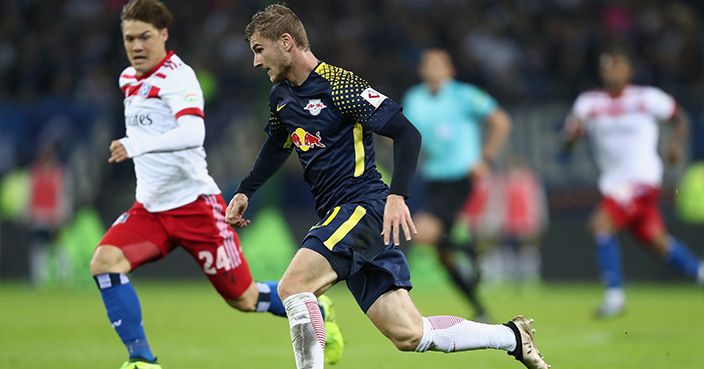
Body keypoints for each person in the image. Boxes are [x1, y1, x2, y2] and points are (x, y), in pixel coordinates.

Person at [226, 4, 549, 369]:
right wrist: (245, 190)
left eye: (258, 50)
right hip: (348, 217)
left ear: (286, 42)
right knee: (410, 334)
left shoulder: (341, 85)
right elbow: (276, 144)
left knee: (293, 288)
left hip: (362, 207)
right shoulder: (280, 97)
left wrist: (397, 195)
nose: (255, 62)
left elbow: (406, 133)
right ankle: (511, 337)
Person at [88, 1, 342, 368]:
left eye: (145, 37)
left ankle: (313, 307)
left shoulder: (179, 77)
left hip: (196, 207)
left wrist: (136, 145)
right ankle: (141, 359)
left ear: (163, 35)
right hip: (150, 208)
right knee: (105, 262)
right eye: (129, 38)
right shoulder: (128, 79)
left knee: (244, 298)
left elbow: (193, 131)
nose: (137, 46)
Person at [563, 47, 704, 318]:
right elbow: (568, 141)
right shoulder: (588, 102)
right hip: (613, 183)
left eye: (618, 67)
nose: (612, 72)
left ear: (629, 71)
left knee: (600, 226)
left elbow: (680, 118)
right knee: (658, 245)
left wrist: (675, 145)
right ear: (601, 72)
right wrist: (572, 135)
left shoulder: (647, 97)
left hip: (641, 180)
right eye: (607, 67)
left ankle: (614, 295)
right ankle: (699, 272)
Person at [402, 48, 512, 322]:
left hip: (461, 176)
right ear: (422, 70)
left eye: (439, 65)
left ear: (450, 70)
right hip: (435, 177)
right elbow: (407, 134)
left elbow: (501, 122)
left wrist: (485, 158)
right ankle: (479, 308)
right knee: (444, 256)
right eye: (428, 64)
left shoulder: (465, 95)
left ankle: (472, 250)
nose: (433, 70)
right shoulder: (414, 99)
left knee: (422, 234)